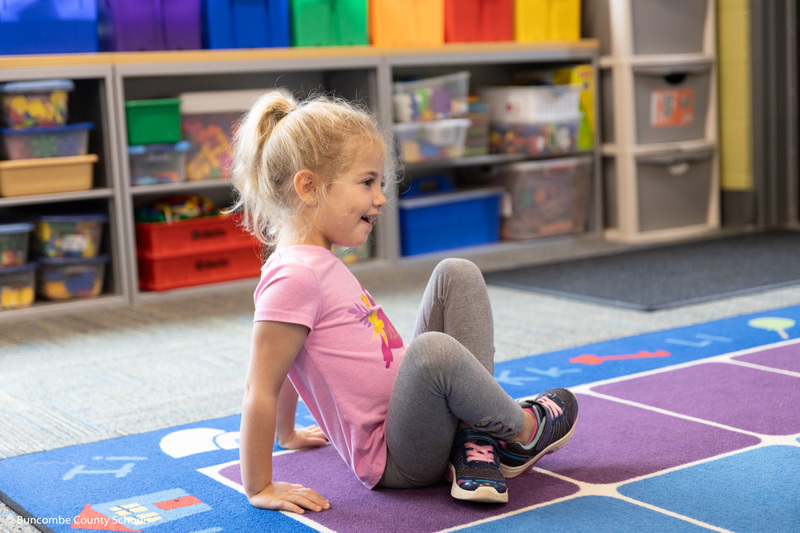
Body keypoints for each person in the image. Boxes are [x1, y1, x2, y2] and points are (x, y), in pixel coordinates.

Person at [229, 90, 579, 514]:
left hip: (414, 414)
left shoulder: (314, 262)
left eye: (380, 183)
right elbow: (262, 384)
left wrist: (288, 434)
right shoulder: (294, 276)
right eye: (367, 182)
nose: (380, 197)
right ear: (309, 187)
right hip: (396, 458)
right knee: (432, 353)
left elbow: (288, 366)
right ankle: (523, 431)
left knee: (456, 273)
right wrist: (259, 486)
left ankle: (474, 438)